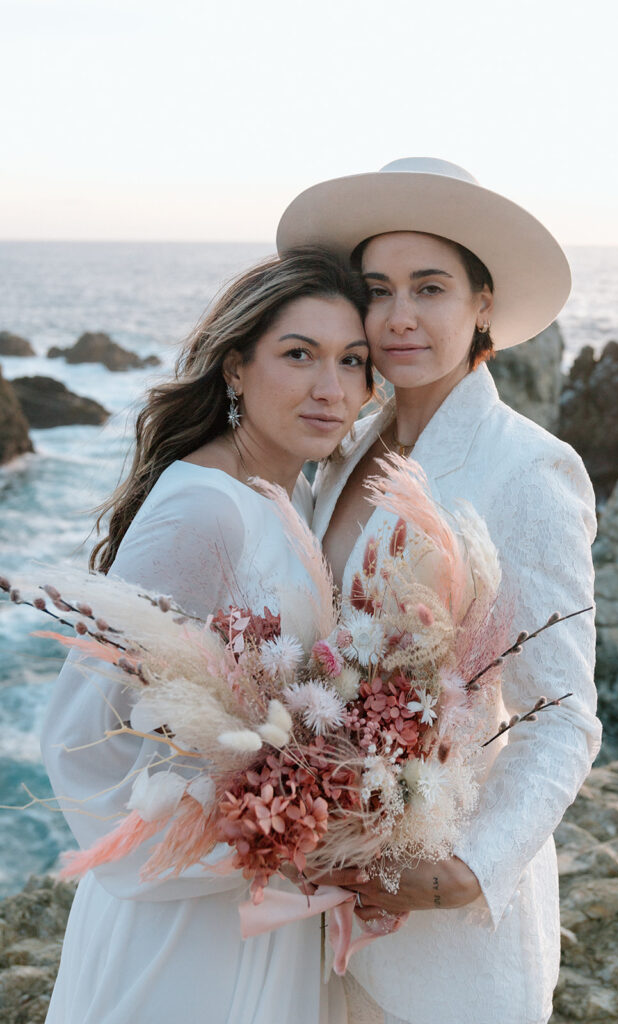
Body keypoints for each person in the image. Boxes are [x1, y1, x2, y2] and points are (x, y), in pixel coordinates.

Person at [276, 159, 601, 1024]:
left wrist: (469, 869)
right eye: (377, 291)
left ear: (482, 303)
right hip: (312, 902)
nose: (399, 317)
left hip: (446, 923)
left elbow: (563, 711)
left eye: (430, 287)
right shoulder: (338, 450)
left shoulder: (527, 468)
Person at [41, 247, 372, 1024]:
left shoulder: (291, 497)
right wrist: (262, 839)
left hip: (263, 906)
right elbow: (81, 737)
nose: (332, 389)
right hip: (188, 923)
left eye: (352, 362)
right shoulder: (204, 510)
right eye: (299, 355)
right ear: (234, 368)